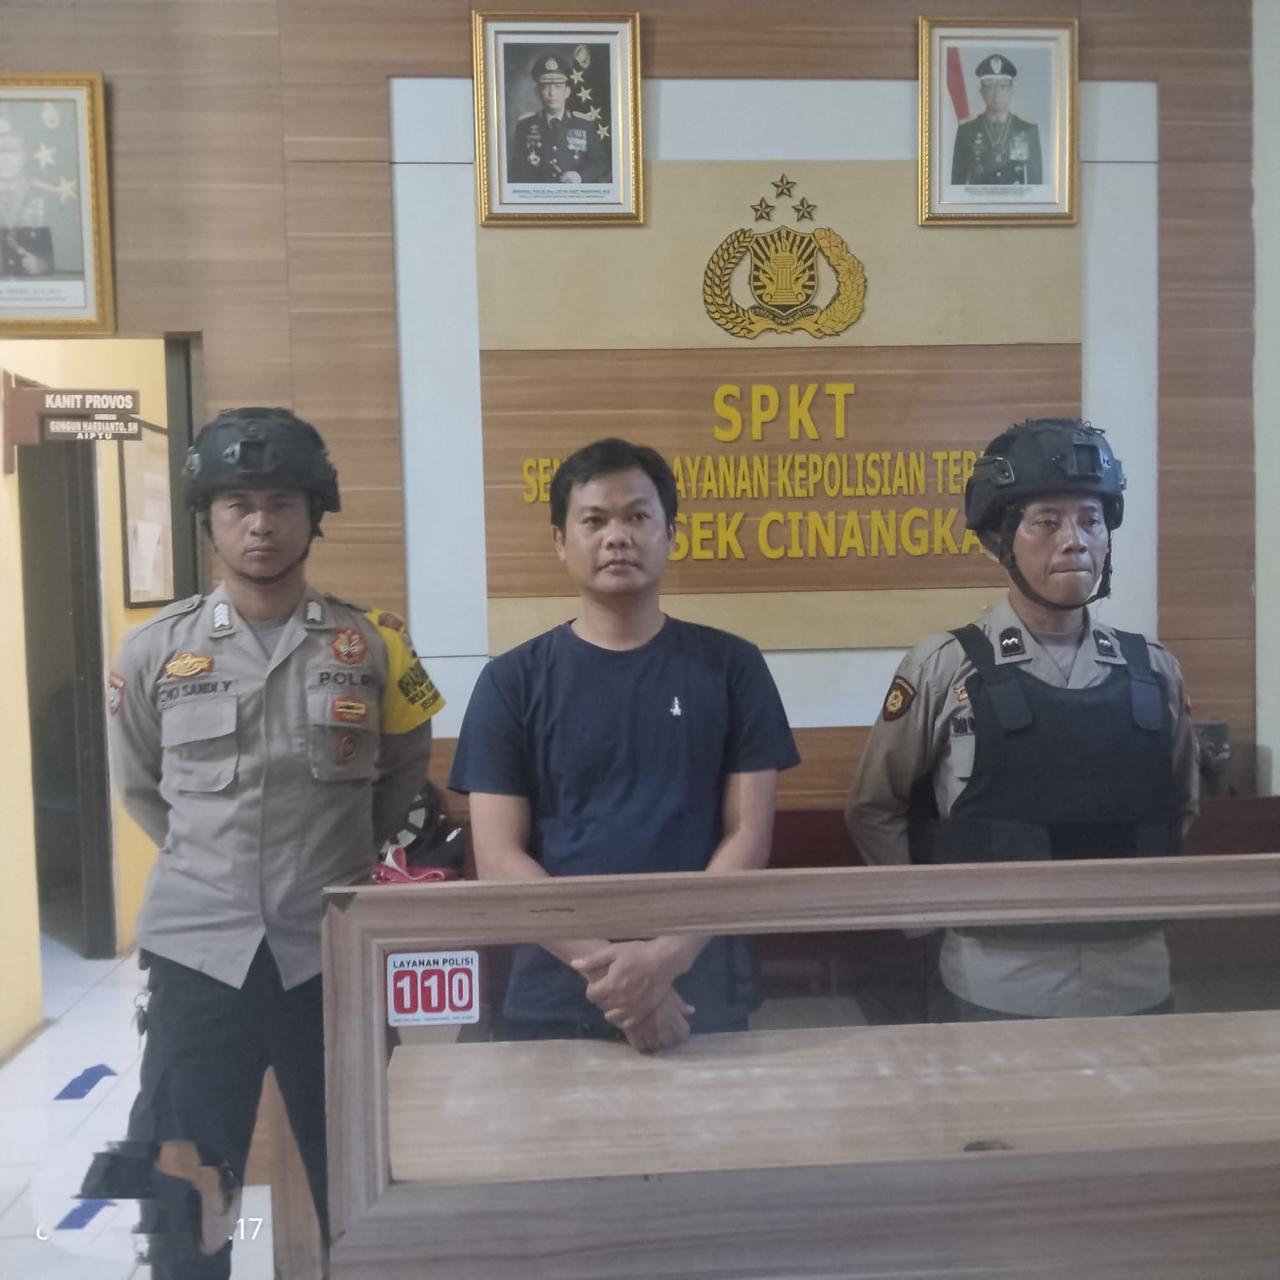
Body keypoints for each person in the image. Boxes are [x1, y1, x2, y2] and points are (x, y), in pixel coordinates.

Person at [106, 407, 442, 1276]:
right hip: (197, 958)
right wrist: (210, 863)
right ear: (208, 519)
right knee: (184, 1194)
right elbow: (140, 785)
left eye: (282, 503)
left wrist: (340, 860)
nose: (260, 524)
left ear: (314, 514)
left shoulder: (377, 642)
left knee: (364, 1184)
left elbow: (406, 769)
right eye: (238, 505)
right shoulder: (151, 652)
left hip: (328, 954)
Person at [448, 437, 798, 1051]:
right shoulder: (511, 681)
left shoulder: (732, 668)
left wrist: (664, 960)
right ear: (560, 542)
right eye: (594, 521)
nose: (617, 537)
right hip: (556, 996)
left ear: (671, 534)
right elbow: (499, 858)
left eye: (637, 516)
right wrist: (619, 977)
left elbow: (748, 837)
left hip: (700, 991)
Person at [847, 418, 1198, 1022]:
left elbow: (1180, 806)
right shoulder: (944, 666)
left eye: (1091, 520)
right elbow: (873, 806)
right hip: (997, 983)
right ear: (1000, 540)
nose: (1074, 541)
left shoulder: (1154, 670)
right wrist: (921, 915)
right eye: (1047, 522)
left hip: (1137, 978)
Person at [507, 52, 610, 185]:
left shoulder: (584, 124)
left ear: (567, 92)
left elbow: (599, 162)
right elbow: (516, 170)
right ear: (538, 92)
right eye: (545, 87)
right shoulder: (525, 125)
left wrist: (580, 176)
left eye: (557, 87)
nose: (552, 93)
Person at [951, 54, 1043, 186]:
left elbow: (1037, 185)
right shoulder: (966, 130)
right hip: (978, 198)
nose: (996, 94)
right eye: (990, 86)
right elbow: (956, 184)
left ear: (1012, 91)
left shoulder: (1027, 129)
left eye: (1003, 86)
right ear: (981, 92)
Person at [0, 117, 53, 276]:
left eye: (12, 151)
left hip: (34, 287)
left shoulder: (46, 197)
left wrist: (42, 265)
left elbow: (69, 252)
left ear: (25, 155)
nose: (4, 158)